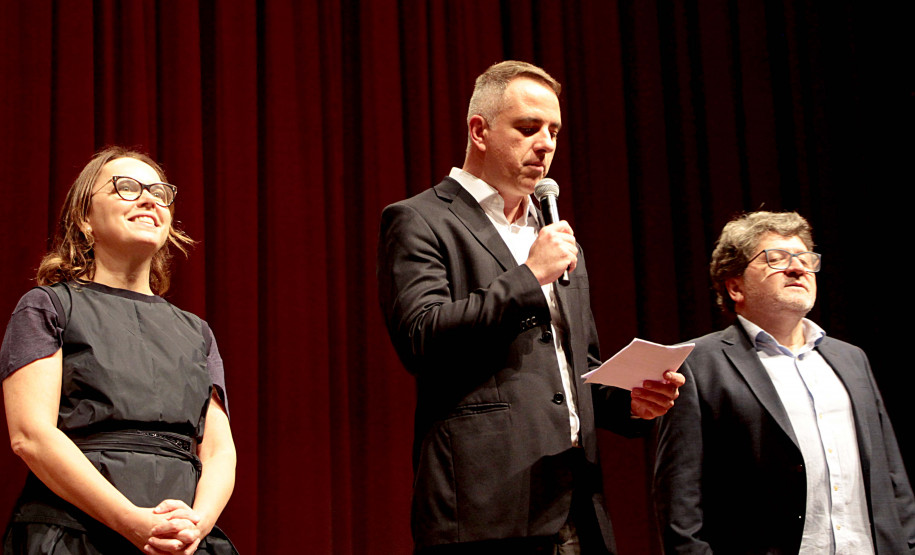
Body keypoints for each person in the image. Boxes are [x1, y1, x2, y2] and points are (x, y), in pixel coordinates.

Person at [378, 60, 684, 554]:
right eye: (528, 128)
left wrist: (630, 401)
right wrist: (528, 276)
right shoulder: (420, 219)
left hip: (576, 505)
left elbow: (575, 368)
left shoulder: (555, 237)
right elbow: (421, 337)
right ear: (479, 131)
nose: (545, 144)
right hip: (483, 508)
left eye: (553, 131)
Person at [0, 146, 237, 554]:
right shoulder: (48, 307)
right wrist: (132, 522)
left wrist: (196, 526)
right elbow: (31, 436)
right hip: (75, 534)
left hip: (180, 538)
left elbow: (218, 450)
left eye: (159, 193)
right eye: (127, 187)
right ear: (84, 218)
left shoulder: (197, 332)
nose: (149, 200)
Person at [653, 211, 915, 554]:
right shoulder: (697, 363)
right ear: (735, 287)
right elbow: (680, 498)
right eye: (776, 259)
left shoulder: (852, 359)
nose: (797, 268)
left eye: (805, 259)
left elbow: (892, 475)